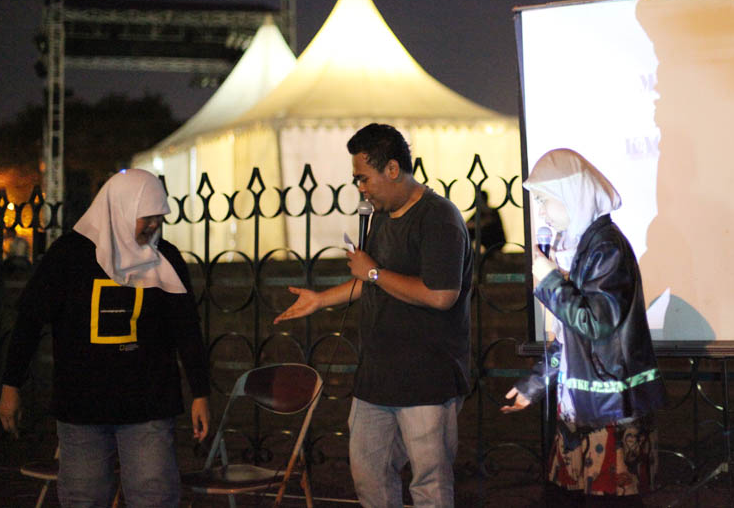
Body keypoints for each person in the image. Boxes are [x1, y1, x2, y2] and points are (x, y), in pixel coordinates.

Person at [274, 123, 473, 508]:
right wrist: (321, 300)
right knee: (369, 477)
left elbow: (440, 295)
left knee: (429, 485)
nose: (361, 188)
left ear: (393, 169)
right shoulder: (381, 216)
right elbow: (371, 281)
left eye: (364, 178)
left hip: (426, 382)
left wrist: (375, 273)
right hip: (375, 381)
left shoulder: (439, 217)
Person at [0, 168, 211, 507]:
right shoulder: (69, 255)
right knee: (84, 498)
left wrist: (201, 392)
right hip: (82, 406)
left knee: (153, 497)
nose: (154, 225)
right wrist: (11, 385)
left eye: (159, 217)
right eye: (147, 217)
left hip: (149, 405)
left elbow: (186, 328)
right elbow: (29, 322)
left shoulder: (165, 258)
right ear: (121, 209)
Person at [502, 149, 665, 505]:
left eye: (545, 200)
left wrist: (550, 281)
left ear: (571, 195)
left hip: (610, 410)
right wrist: (536, 384)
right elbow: (571, 338)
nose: (542, 213)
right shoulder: (587, 248)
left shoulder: (607, 249)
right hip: (586, 407)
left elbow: (594, 323)